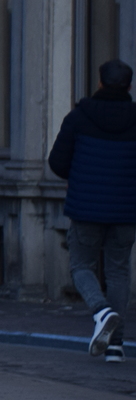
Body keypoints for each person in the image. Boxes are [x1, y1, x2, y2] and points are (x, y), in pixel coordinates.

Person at [47, 59, 136, 362]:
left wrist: (81, 176)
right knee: (118, 272)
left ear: (99, 83)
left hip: (86, 208)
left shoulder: (79, 117)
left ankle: (101, 311)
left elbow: (57, 162)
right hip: (126, 210)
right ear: (129, 87)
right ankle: (115, 346)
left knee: (80, 265)